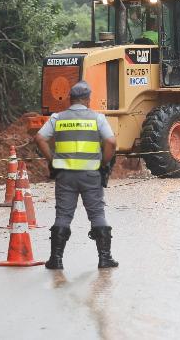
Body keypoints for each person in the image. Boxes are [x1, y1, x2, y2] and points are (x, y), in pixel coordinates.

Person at [34, 81, 119, 270]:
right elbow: (111, 142)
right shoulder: (97, 118)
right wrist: (103, 163)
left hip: (65, 175)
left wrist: (52, 160)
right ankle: (104, 259)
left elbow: (40, 138)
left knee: (63, 215)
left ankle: (56, 260)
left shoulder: (58, 118)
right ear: (88, 100)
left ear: (70, 100)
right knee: (97, 213)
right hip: (91, 174)